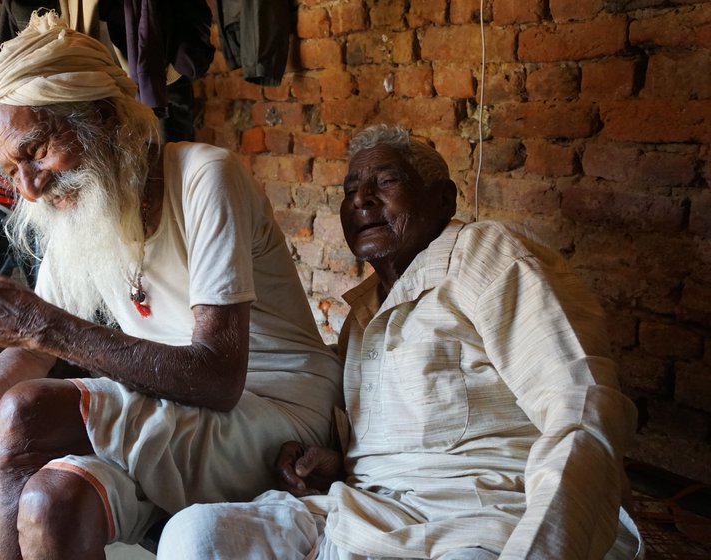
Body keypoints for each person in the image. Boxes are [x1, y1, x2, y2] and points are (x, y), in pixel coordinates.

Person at [0, 11, 342, 559]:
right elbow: (29, 353)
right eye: (12, 169)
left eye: (37, 150)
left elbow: (218, 378)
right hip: (182, 414)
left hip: (276, 412)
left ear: (105, 118)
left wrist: (39, 324)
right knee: (50, 501)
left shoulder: (206, 176)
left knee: (25, 413)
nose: (31, 188)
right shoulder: (85, 210)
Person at [155, 124, 644, 559]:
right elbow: (382, 434)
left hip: (479, 520)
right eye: (350, 191)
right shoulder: (363, 313)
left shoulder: (488, 258)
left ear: (444, 199)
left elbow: (583, 408)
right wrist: (330, 460)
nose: (362, 200)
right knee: (195, 535)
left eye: (385, 182)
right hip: (361, 514)